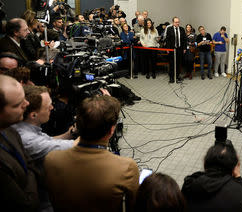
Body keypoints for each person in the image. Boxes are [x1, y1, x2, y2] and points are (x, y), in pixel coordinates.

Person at [44, 95, 139, 212]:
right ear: (111, 131)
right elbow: (133, 206)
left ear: (77, 125)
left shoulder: (51, 159)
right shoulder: (127, 167)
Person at [0, 74, 40, 211]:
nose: (27, 104)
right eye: (18, 104)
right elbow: (27, 205)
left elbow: (30, 165)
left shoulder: (11, 131)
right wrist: (30, 175)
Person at [182, 141, 242, 212]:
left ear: (205, 163)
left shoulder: (189, 185)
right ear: (234, 168)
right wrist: (238, 178)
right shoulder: (241, 192)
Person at [164, 17, 186, 83]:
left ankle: (177, 76)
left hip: (179, 49)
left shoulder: (182, 29)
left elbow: (184, 39)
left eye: (178, 22)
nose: (177, 23)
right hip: (172, 49)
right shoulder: (169, 29)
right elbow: (167, 40)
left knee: (178, 63)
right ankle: (171, 77)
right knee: (172, 63)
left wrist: (184, 48)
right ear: (173, 23)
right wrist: (167, 48)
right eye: (176, 22)